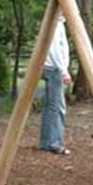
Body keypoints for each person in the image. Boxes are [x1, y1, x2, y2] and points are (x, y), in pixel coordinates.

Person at [39, 16, 72, 155]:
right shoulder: (55, 24)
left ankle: (47, 142)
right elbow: (53, 49)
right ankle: (55, 143)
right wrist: (63, 71)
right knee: (57, 107)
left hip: (52, 68)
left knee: (50, 106)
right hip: (54, 69)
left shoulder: (57, 23)